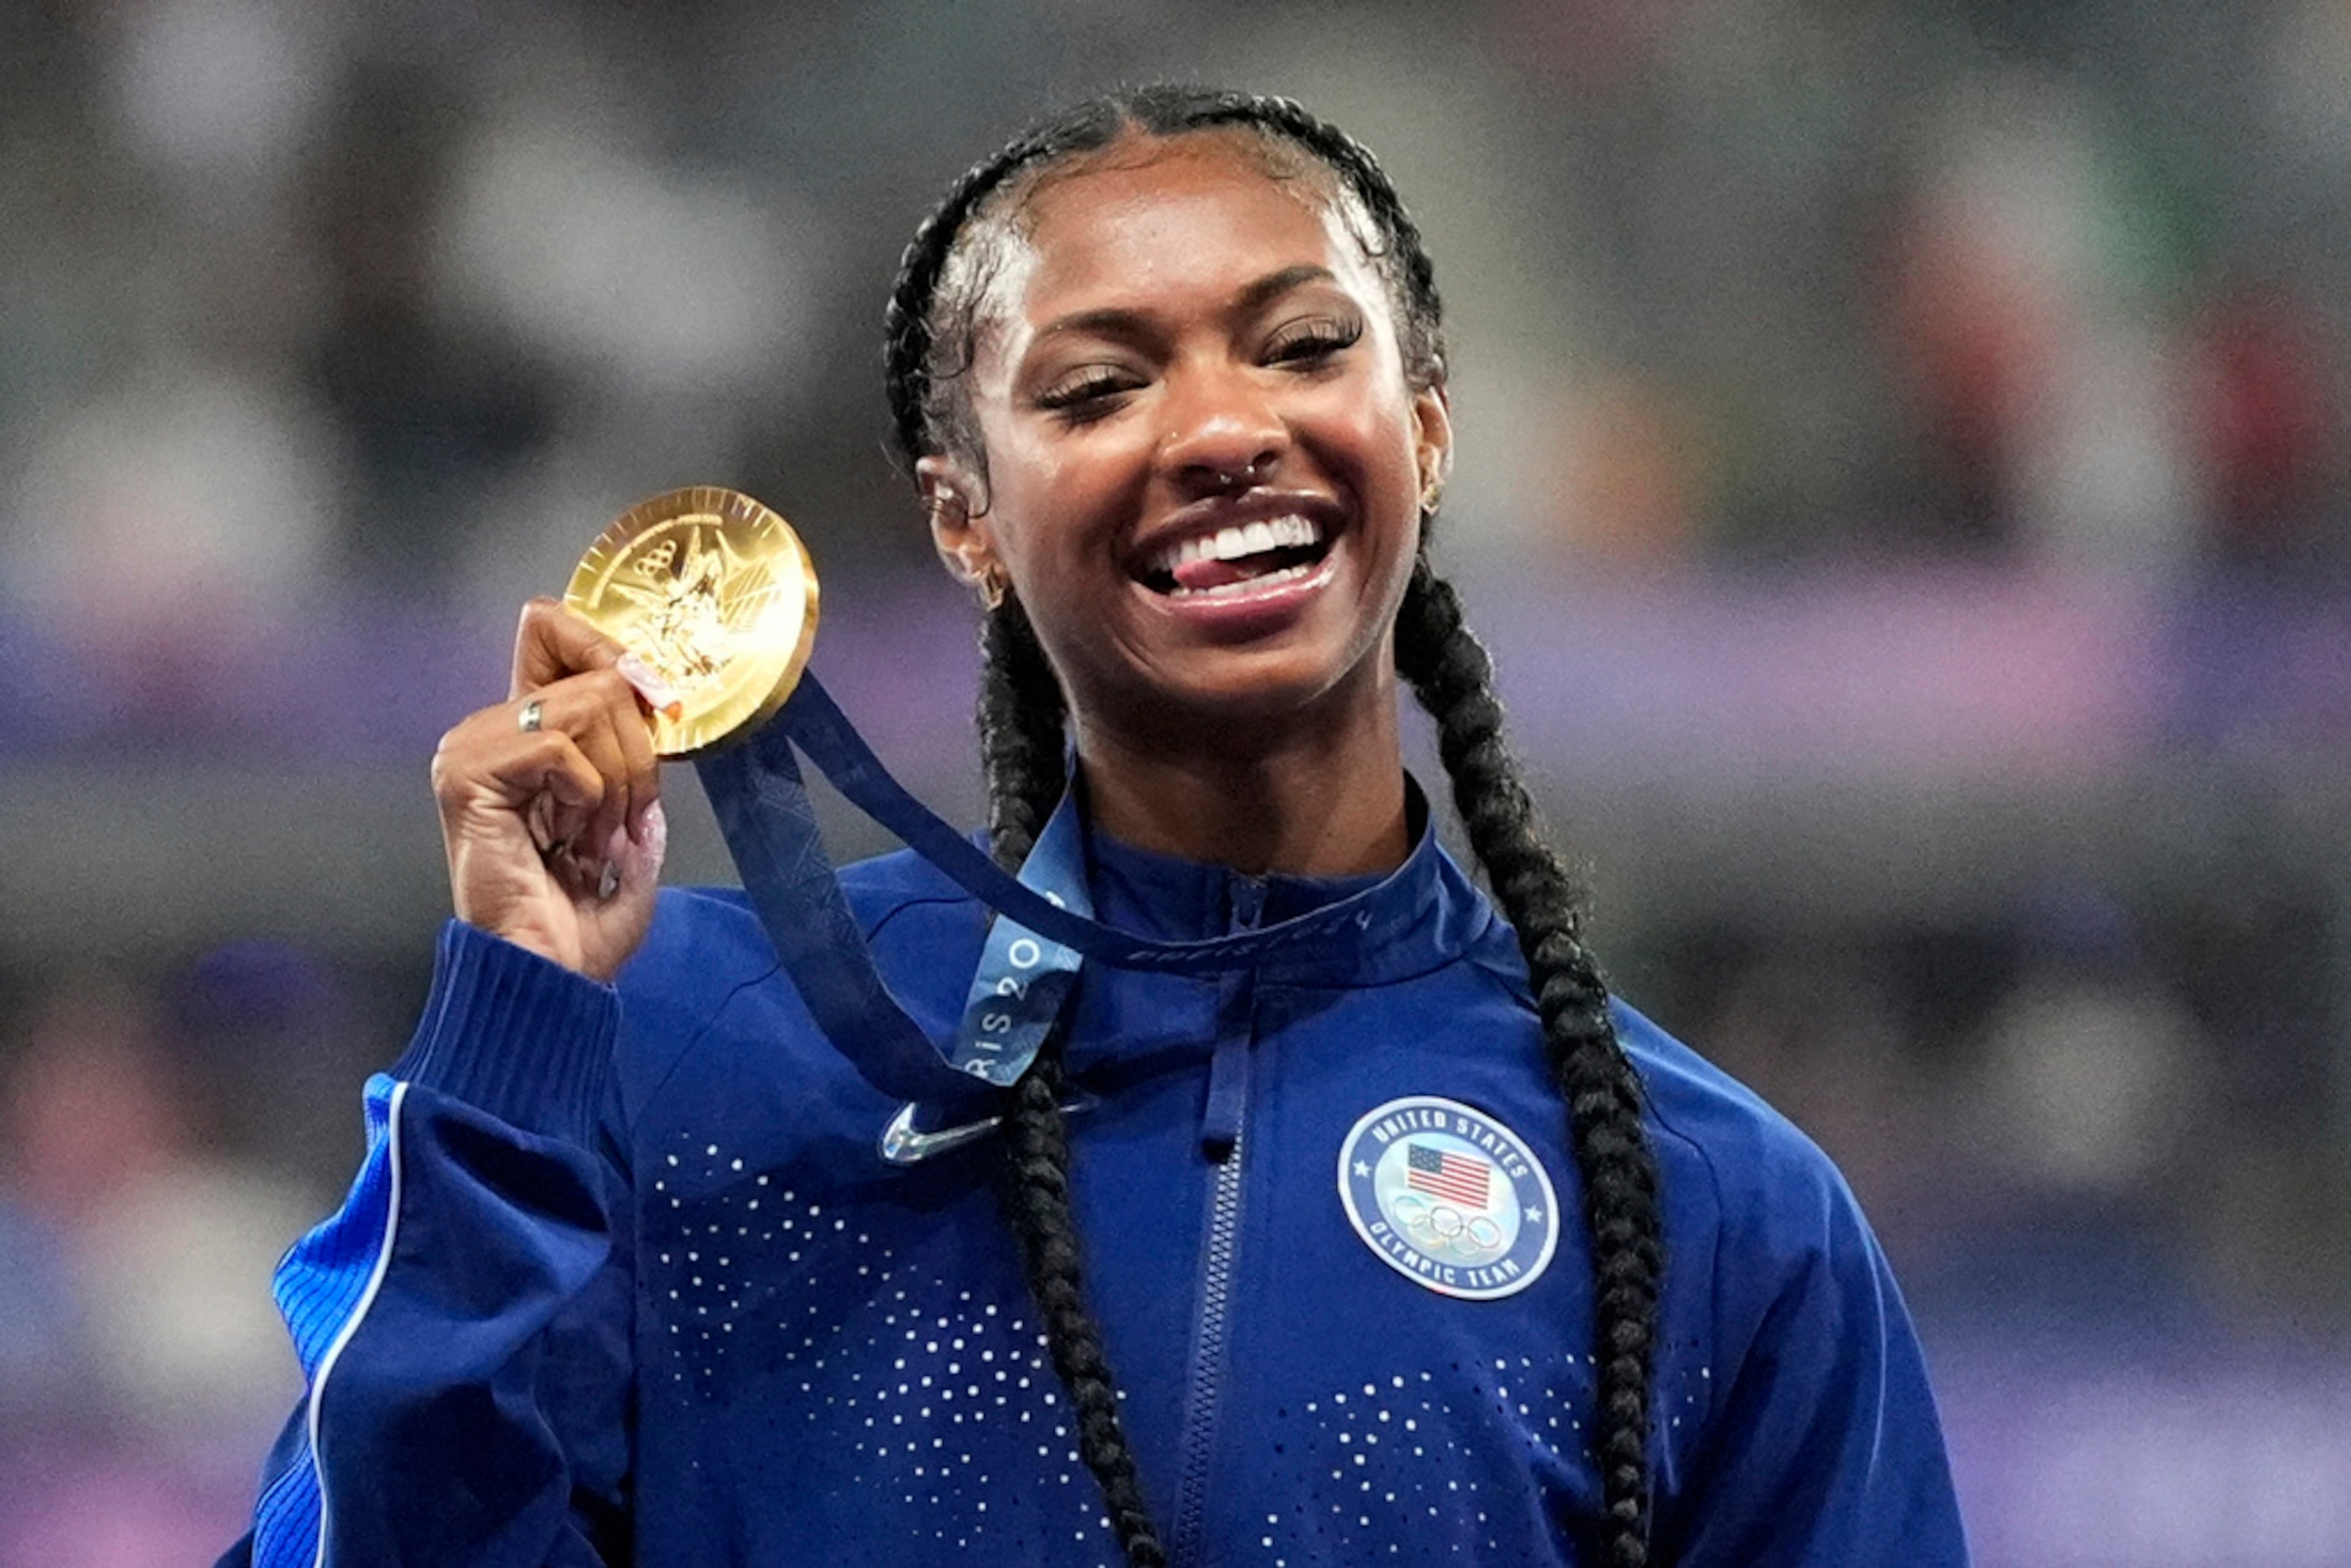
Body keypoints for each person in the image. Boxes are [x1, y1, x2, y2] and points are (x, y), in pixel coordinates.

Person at [221, 86, 1969, 1567]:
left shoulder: (1720, 1212)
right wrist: (513, 1032)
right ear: (965, 520)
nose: (1219, 429)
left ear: (1426, 431)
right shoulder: (679, 1045)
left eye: (1303, 346)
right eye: (1095, 388)